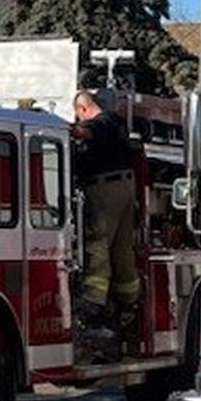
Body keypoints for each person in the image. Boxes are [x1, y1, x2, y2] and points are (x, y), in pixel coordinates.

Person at [71, 89, 140, 327]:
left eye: (78, 115)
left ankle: (92, 304)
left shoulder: (102, 122)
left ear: (83, 109)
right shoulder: (117, 123)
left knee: (97, 242)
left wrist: (65, 130)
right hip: (126, 188)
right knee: (122, 249)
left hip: (104, 190)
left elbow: (85, 132)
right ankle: (128, 302)